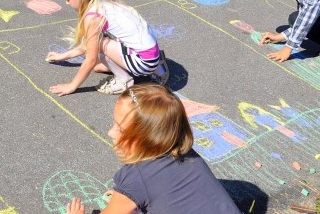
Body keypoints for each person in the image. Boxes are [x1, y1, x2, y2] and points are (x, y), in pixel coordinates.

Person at [65, 85, 241, 214]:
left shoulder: (136, 177)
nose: (110, 132)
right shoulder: (185, 152)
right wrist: (129, 196)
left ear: (148, 140)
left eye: (120, 129)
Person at [46, 0, 169, 96]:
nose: (66, 2)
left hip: (144, 62)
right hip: (152, 54)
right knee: (99, 66)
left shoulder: (93, 17)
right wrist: (65, 56)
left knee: (99, 47)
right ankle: (158, 70)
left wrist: (72, 86)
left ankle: (124, 80)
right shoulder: (106, 2)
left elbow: (91, 58)